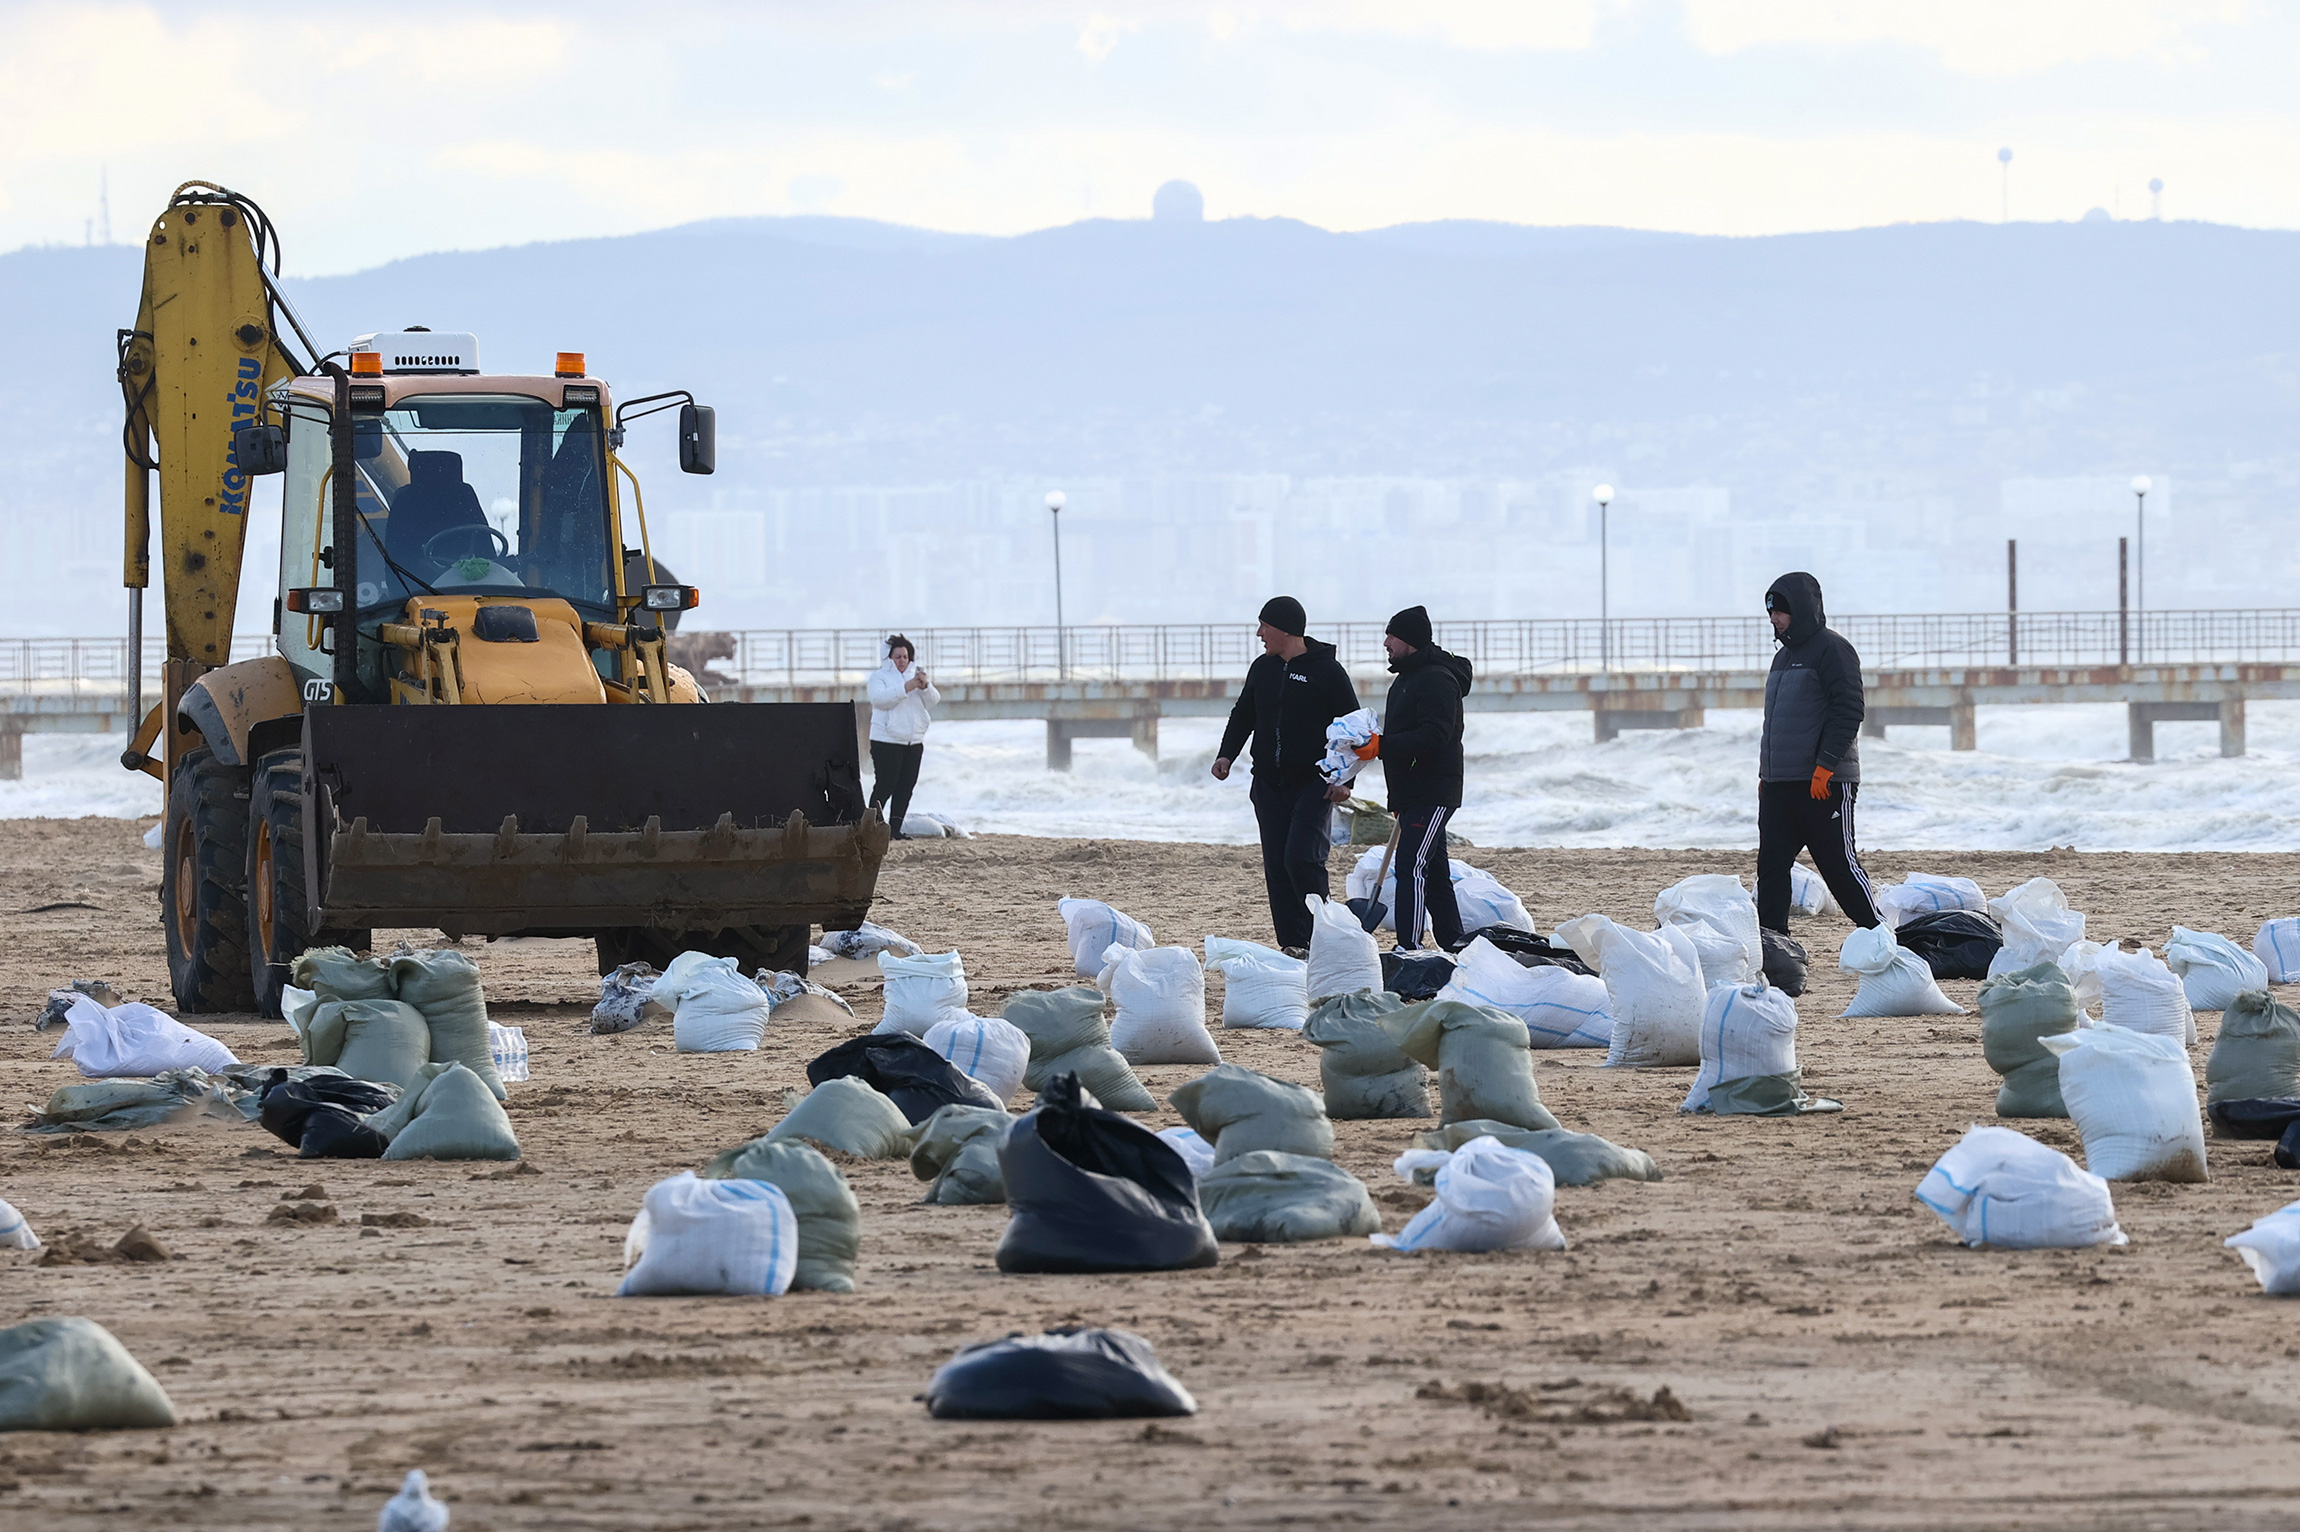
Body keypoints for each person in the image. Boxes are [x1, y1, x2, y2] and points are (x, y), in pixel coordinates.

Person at [1213, 596, 1360, 954]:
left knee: (1301, 859)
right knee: (1278, 866)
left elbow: (1352, 728)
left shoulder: (1326, 671)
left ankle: (1322, 936)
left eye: (1264, 626)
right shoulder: (1262, 668)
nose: (1259, 633)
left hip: (1313, 783)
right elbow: (1243, 714)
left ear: (1285, 629)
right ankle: (1294, 944)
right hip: (1267, 781)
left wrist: (1345, 781)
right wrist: (1226, 754)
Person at [1755, 573, 1880, 932]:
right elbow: (1776, 722)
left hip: (1822, 784)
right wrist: (1766, 775)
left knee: (1839, 867)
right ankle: (1774, 943)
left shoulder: (1833, 650)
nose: (1774, 619)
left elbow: (1849, 710)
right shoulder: (1782, 659)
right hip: (1780, 785)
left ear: (1801, 610)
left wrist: (1825, 766)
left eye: (1780, 612)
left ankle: (1880, 934)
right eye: (1771, 613)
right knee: (1772, 868)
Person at [1371, 605, 1474, 952]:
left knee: (1411, 866)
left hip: (1434, 790)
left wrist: (1381, 746)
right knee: (1435, 873)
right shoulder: (1405, 680)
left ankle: (1409, 948)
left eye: (1392, 635)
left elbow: (1435, 736)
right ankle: (1453, 943)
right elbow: (1403, 736)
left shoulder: (1437, 680)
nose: (1386, 642)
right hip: (1412, 792)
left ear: (1410, 640)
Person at [867, 634, 939, 840]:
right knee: (885, 784)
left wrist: (925, 686)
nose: (901, 660)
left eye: (905, 656)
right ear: (890, 657)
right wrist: (906, 687)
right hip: (886, 740)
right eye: (897, 656)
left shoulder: (916, 676)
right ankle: (872, 827)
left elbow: (934, 700)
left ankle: (895, 829)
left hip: (913, 741)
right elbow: (879, 700)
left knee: (906, 786)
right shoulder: (879, 677)